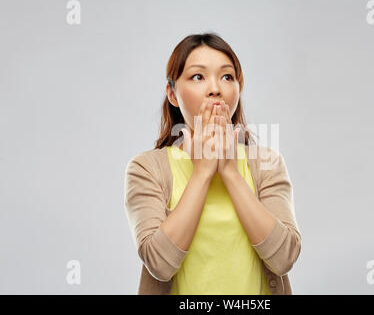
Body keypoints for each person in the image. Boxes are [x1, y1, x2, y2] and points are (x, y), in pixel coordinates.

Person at [124, 32, 301, 295]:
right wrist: (203, 172)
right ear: (172, 94)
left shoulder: (267, 163)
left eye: (227, 76)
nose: (215, 88)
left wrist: (229, 170)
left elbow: (284, 258)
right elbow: (159, 264)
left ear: (238, 90)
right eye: (198, 76)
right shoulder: (147, 168)